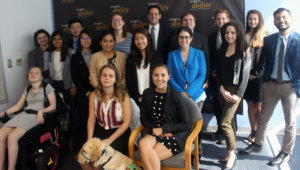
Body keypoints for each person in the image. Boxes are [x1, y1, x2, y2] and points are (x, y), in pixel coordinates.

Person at [239, 8, 300, 166]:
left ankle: (285, 152)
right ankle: (258, 144)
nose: (281, 21)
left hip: (290, 87)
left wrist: (297, 89)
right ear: (274, 22)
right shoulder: (270, 40)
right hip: (270, 85)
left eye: (284, 17)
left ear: (291, 19)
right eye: (278, 18)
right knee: (264, 118)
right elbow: (263, 61)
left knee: (290, 123)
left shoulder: (298, 40)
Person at [0, 67, 56, 170]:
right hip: (24, 114)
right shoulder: (27, 89)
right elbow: (18, 106)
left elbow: (53, 106)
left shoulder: (47, 87)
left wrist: (41, 111)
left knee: (12, 137)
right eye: (31, 72)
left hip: (35, 116)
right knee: (1, 133)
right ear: (28, 76)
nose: (33, 74)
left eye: (36, 73)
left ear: (41, 77)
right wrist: (3, 113)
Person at [80, 65, 131, 170]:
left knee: (99, 159)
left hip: (119, 133)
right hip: (100, 130)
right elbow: (91, 119)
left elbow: (126, 123)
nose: (107, 78)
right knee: (83, 158)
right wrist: (89, 140)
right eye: (104, 75)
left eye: (111, 76)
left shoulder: (124, 96)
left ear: (116, 79)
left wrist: (109, 140)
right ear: (100, 78)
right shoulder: (94, 95)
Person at [139, 64, 190, 170]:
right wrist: (155, 129)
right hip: (154, 130)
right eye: (156, 75)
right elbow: (143, 118)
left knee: (150, 157)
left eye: (163, 75)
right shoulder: (147, 93)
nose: (159, 78)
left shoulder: (176, 95)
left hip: (174, 134)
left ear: (168, 76)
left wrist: (164, 129)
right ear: (152, 77)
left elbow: (185, 124)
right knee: (142, 143)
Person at [167, 26, 206, 158]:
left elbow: (201, 76)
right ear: (178, 39)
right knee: (182, 124)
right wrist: (181, 93)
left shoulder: (199, 54)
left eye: (186, 37)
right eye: (181, 37)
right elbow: (169, 76)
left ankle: (198, 152)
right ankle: (183, 151)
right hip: (177, 95)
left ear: (191, 39)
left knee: (196, 124)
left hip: (196, 95)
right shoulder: (172, 55)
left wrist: (188, 93)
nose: (184, 39)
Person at [216, 21, 251, 170]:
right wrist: (221, 89)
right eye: (227, 33)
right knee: (230, 123)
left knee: (224, 122)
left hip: (235, 91)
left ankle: (231, 154)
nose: (229, 35)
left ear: (238, 34)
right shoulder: (222, 48)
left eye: (233, 33)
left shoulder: (244, 48)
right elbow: (216, 71)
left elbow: (245, 74)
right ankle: (233, 149)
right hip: (223, 90)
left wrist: (239, 95)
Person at [242, 10, 268, 145]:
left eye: (255, 19)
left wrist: (256, 74)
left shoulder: (265, 35)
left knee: (259, 106)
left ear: (259, 20)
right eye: (250, 19)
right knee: (250, 105)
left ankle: (259, 134)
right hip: (246, 77)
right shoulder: (244, 35)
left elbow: (265, 59)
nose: (252, 21)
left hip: (259, 77)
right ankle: (253, 131)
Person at [207, 9, 231, 142]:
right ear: (215, 21)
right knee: (216, 104)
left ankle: (228, 133)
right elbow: (209, 58)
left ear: (228, 19)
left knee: (228, 106)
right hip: (214, 77)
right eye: (218, 19)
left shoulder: (233, 36)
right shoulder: (210, 37)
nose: (221, 21)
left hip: (228, 79)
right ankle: (220, 129)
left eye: (223, 18)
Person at [169, 13, 210, 84]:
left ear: (195, 23)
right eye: (185, 20)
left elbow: (206, 60)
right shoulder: (173, 39)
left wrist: (205, 80)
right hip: (179, 83)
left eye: (191, 20)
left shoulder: (202, 38)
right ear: (181, 23)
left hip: (197, 83)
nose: (188, 22)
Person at [125, 27, 163, 106]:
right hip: (137, 99)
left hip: (155, 97)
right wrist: (137, 97)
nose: (140, 41)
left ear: (148, 39)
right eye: (137, 39)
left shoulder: (157, 56)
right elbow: (129, 79)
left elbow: (161, 77)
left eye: (142, 38)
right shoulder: (130, 57)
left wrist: (153, 95)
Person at [70, 30, 95, 149]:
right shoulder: (75, 57)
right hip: (83, 94)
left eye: (88, 38)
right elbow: (75, 78)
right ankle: (88, 144)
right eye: (83, 38)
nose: (86, 41)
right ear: (79, 41)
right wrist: (87, 92)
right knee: (86, 118)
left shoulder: (96, 53)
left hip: (99, 92)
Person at [44, 30, 75, 100]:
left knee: (70, 105)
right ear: (51, 41)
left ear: (63, 39)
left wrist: (73, 86)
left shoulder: (71, 52)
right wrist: (46, 86)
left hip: (68, 84)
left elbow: (75, 71)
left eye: (59, 39)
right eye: (54, 39)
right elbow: (46, 70)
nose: (57, 41)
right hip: (53, 83)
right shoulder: (47, 53)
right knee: (57, 106)